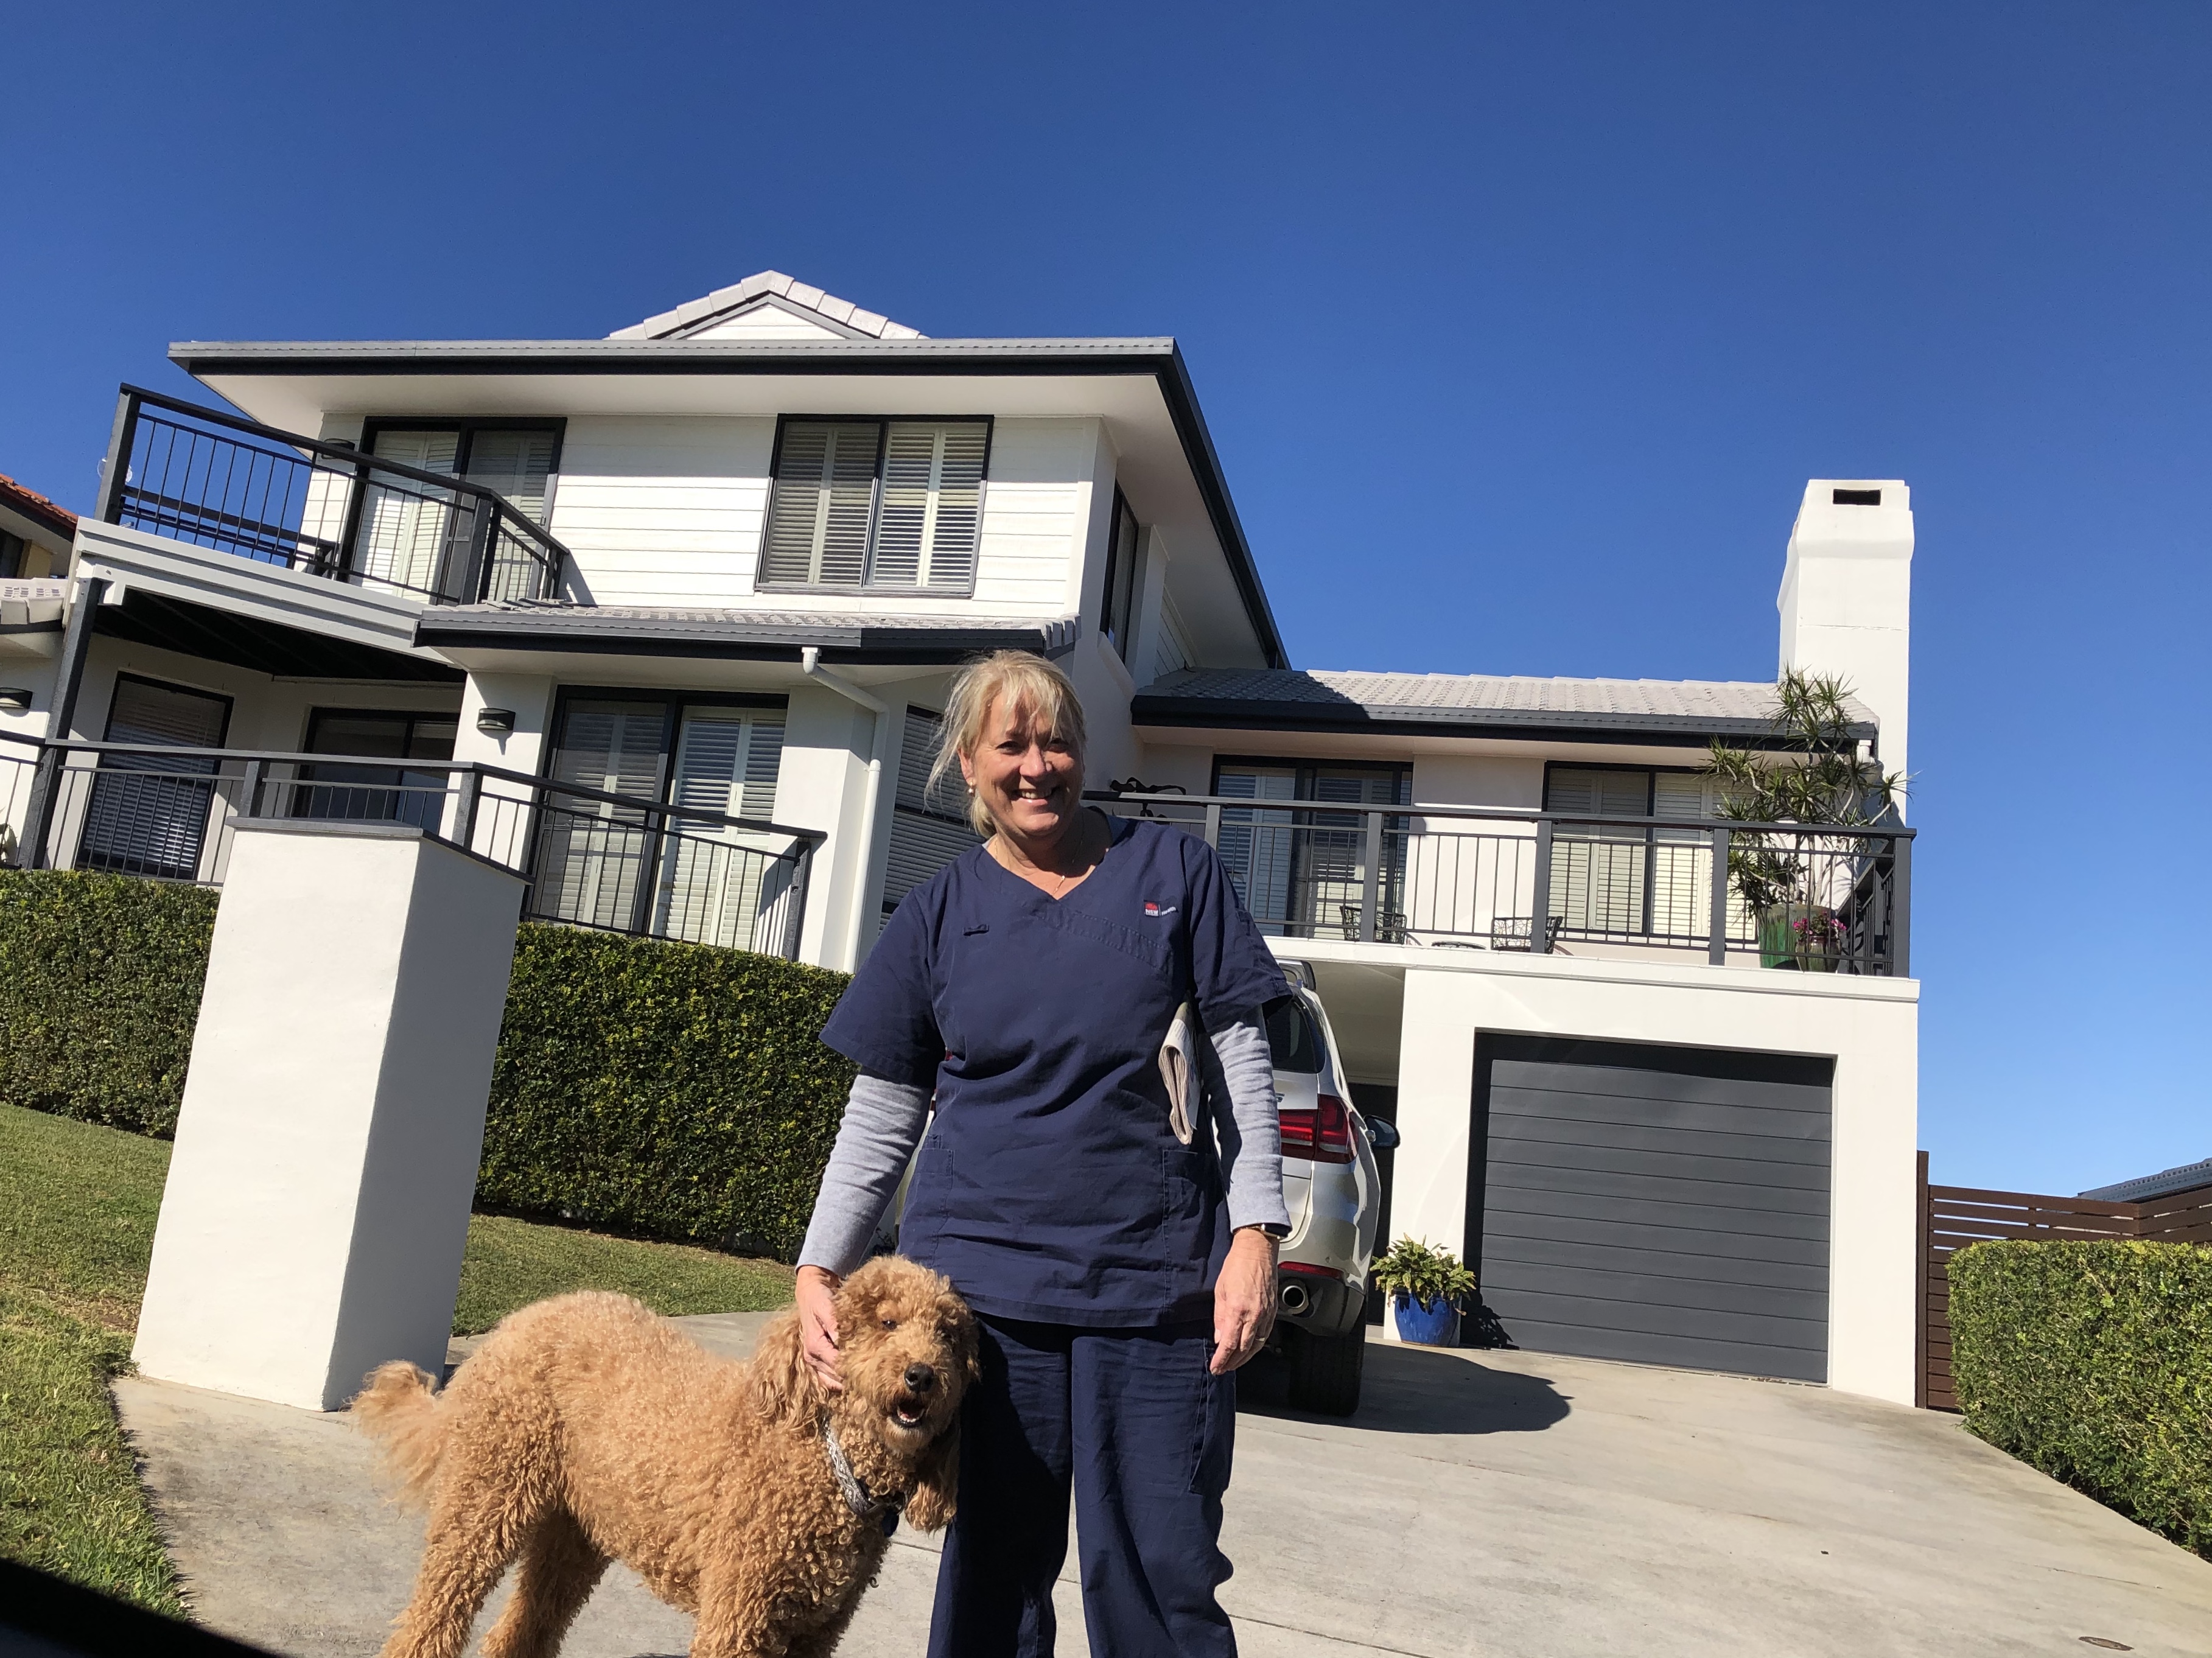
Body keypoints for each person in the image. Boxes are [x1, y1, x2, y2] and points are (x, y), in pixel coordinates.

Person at [794, 648, 1291, 1658]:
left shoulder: (1174, 874)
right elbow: (884, 1109)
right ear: (969, 765)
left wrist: (1256, 1233)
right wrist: (820, 1263)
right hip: (982, 1304)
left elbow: (1243, 1066)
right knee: (994, 1578)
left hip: (1153, 1294)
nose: (1037, 765)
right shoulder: (939, 911)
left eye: (1055, 741)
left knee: (1161, 1572)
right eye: (1010, 745)